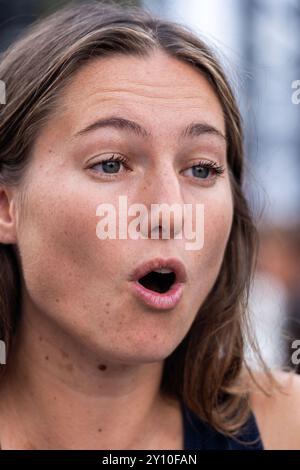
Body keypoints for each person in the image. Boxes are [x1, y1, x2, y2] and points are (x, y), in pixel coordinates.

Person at [0, 1, 299, 450]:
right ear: (6, 207)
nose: (170, 212)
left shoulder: (286, 428)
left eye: (201, 169)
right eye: (111, 163)